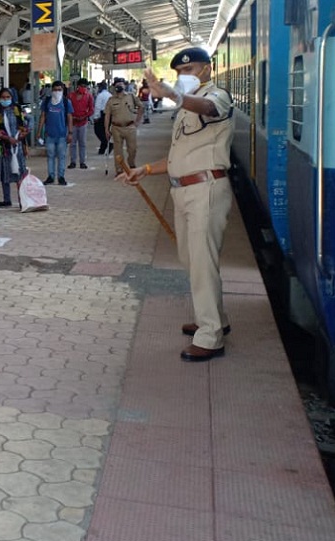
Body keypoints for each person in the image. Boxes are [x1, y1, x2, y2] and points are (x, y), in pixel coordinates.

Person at [119, 48, 234, 362]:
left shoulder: (217, 95)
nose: (187, 76)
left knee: (201, 260)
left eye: (192, 69)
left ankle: (210, 337)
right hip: (183, 190)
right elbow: (177, 157)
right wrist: (145, 170)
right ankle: (215, 317)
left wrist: (174, 95)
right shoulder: (184, 109)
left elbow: (209, 108)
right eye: (182, 72)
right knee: (192, 258)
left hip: (206, 189)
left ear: (208, 69)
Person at [0, 88, 28, 208]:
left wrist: (23, 135)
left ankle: (23, 200)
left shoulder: (17, 110)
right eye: (3, 97)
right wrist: (6, 138)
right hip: (3, 147)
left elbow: (24, 125)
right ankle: (7, 199)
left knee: (19, 173)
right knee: (4, 173)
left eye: (8, 97)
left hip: (17, 147)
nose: (5, 100)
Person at [37, 80, 74, 185]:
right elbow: (43, 116)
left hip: (62, 135)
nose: (57, 92)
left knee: (61, 157)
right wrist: (39, 131)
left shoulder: (66, 102)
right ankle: (51, 176)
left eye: (59, 90)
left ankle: (61, 176)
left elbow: (69, 117)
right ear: (51, 90)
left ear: (62, 90)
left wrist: (70, 133)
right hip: (49, 135)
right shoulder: (47, 101)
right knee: (50, 156)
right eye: (55, 89)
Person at [104, 78, 143, 174]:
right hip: (116, 128)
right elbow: (107, 115)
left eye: (121, 85)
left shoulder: (131, 96)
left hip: (130, 127)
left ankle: (131, 164)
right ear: (114, 87)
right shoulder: (111, 100)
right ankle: (119, 169)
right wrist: (106, 129)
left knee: (132, 149)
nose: (119, 86)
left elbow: (141, 106)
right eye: (117, 85)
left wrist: (137, 121)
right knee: (118, 151)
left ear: (125, 86)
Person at [66, 78, 94, 170]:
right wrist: (71, 117)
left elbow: (91, 109)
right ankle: (73, 162)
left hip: (83, 122)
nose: (83, 88)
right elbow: (67, 109)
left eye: (85, 87)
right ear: (78, 86)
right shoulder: (71, 96)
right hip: (73, 122)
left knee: (82, 143)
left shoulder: (89, 96)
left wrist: (85, 116)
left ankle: (82, 162)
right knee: (72, 143)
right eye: (82, 86)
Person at [93, 81, 112, 155]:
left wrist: (96, 117)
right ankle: (103, 148)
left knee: (98, 131)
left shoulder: (100, 95)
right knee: (106, 131)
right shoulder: (110, 95)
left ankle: (105, 143)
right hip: (110, 115)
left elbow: (97, 107)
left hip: (102, 115)